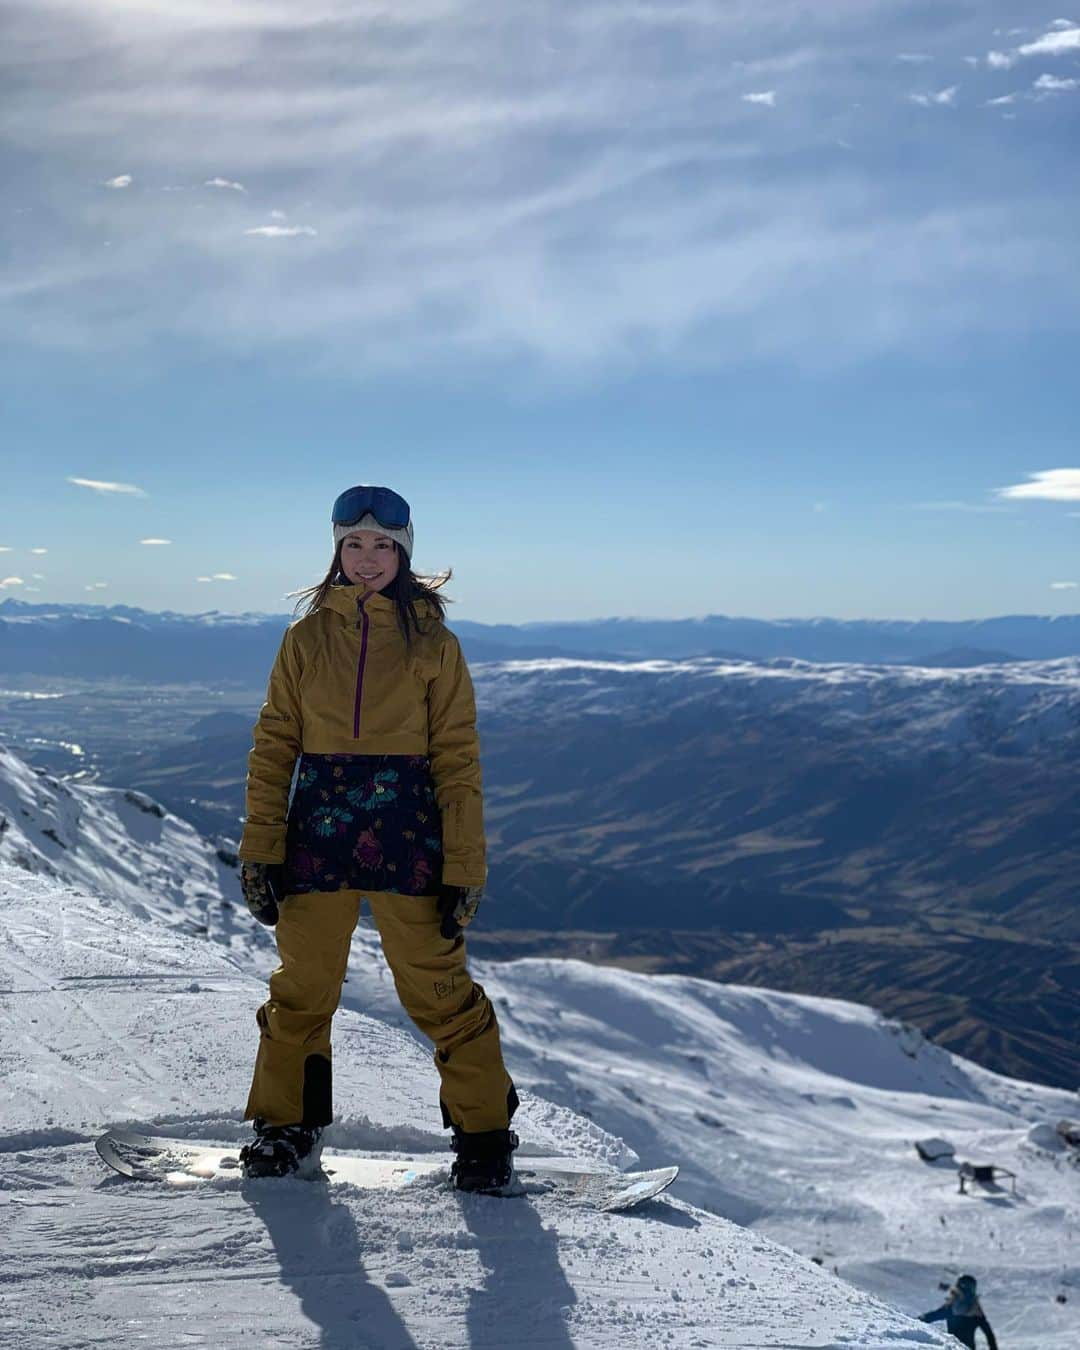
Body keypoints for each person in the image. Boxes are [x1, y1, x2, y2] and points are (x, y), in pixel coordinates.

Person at [236, 484, 518, 1191]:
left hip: (409, 834)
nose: (367, 559)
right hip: (317, 833)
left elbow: (457, 757)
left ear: (404, 552)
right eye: (354, 545)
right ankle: (286, 1131)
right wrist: (260, 846)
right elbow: (275, 745)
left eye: (383, 546)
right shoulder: (304, 640)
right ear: (336, 551)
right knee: (302, 989)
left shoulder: (434, 645)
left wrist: (465, 862)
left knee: (438, 991)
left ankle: (484, 1139)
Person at [920, 1274, 998, 1349]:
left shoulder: (950, 1308)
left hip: (953, 1348)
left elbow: (929, 1317)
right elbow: (989, 1335)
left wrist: (912, 1323)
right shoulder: (976, 1312)